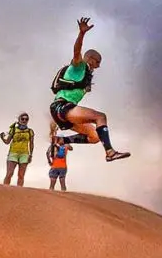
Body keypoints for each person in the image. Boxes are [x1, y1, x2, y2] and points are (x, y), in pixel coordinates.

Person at [49, 17, 130, 162]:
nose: (98, 66)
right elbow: (76, 51)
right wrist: (82, 34)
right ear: (90, 58)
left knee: (95, 137)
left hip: (64, 111)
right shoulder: (79, 66)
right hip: (62, 107)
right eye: (97, 62)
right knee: (100, 117)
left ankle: (61, 141)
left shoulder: (85, 75)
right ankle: (110, 152)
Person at [0, 112, 35, 186]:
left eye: (26, 119)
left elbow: (31, 144)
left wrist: (30, 155)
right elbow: (7, 142)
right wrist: (2, 138)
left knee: (21, 175)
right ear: (19, 120)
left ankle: (19, 192)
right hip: (13, 152)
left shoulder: (30, 131)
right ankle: (4, 190)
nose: (24, 120)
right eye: (22, 119)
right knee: (9, 173)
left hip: (24, 154)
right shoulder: (13, 130)